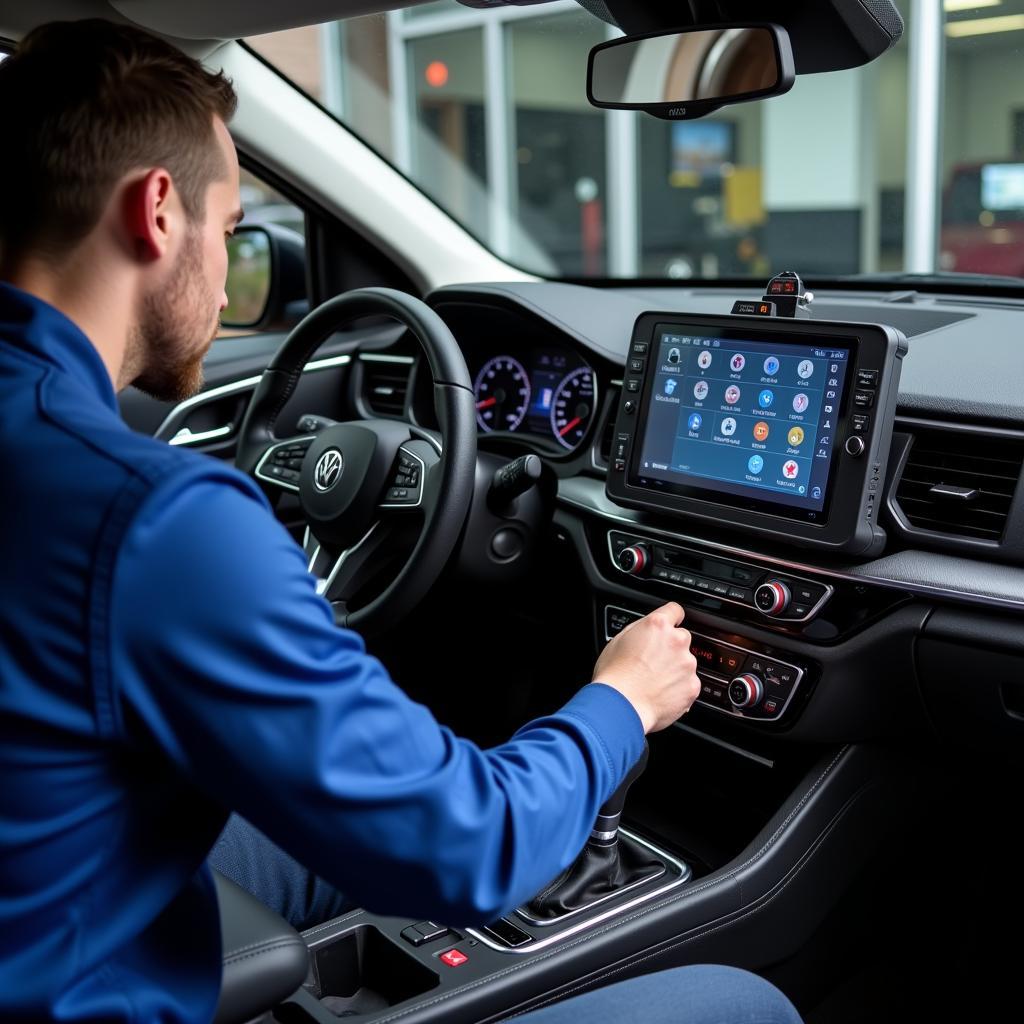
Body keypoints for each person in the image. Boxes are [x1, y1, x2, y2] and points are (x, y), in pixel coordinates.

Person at [0, 18, 802, 1024]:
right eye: (231, 229)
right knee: (740, 1002)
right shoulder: (155, 519)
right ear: (159, 213)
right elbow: (463, 845)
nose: (228, 271)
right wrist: (621, 702)